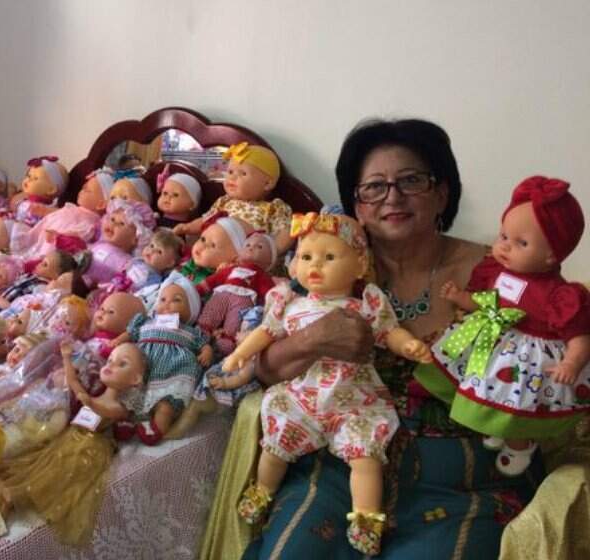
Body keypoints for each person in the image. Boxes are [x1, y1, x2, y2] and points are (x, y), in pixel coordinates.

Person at [201, 118, 544, 560]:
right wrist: (312, 341)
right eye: (374, 187)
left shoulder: (494, 273)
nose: (392, 197)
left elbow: (536, 367)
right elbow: (265, 371)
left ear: (442, 193)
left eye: (412, 180)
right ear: (358, 206)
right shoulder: (325, 269)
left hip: (460, 476)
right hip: (339, 460)